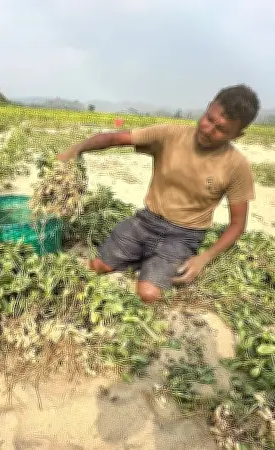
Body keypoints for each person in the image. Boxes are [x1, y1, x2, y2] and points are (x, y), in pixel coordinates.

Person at [57, 84, 259, 304]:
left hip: (183, 236)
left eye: (221, 130)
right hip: (146, 221)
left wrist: (203, 259)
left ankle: (148, 263)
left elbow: (238, 225)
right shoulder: (170, 134)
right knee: (98, 267)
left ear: (238, 135)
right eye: (209, 119)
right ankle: (141, 258)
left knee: (148, 294)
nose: (208, 130)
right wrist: (73, 151)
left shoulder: (237, 166)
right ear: (209, 107)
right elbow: (113, 139)